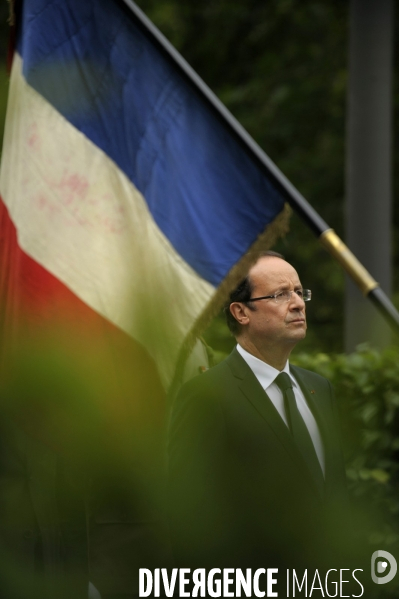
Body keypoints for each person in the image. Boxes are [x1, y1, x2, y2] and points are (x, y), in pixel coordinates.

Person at [168, 251, 348, 579]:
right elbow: (187, 517)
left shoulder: (319, 390)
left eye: (299, 291)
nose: (298, 303)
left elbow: (334, 497)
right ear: (240, 312)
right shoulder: (207, 395)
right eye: (281, 294)